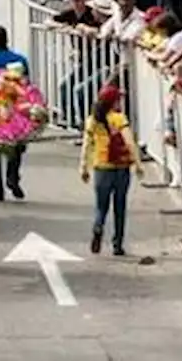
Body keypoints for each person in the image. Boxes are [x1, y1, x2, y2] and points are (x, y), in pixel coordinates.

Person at [79, 83, 142, 256]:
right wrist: (138, 163)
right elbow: (129, 142)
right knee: (120, 207)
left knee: (101, 207)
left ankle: (98, 226)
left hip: (101, 167)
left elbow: (86, 145)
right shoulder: (120, 118)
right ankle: (117, 244)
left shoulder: (92, 120)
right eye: (118, 99)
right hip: (121, 168)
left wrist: (83, 166)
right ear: (113, 102)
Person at [0, 26, 30, 201]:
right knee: (16, 144)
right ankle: (13, 176)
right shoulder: (20, 59)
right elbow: (27, 83)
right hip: (16, 106)